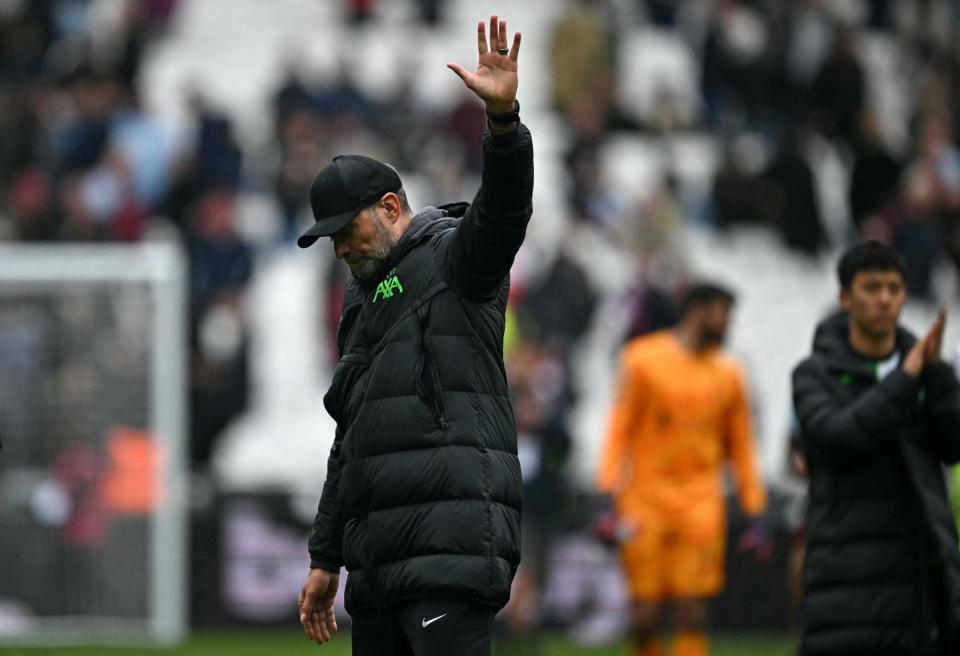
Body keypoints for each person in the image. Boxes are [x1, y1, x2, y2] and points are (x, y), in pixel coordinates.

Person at [296, 15, 531, 655]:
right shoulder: (363, 299)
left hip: (448, 555)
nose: (342, 248)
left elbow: (505, 212)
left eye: (350, 230)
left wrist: (504, 126)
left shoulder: (458, 262)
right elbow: (351, 439)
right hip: (377, 570)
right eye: (332, 237)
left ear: (393, 207)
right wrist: (327, 558)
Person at [792, 241, 960, 655]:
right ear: (845, 298)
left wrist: (938, 379)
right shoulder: (815, 375)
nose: (884, 299)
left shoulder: (926, 369)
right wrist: (905, 381)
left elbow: (953, 446)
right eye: (872, 288)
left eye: (894, 288)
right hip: (848, 577)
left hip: (920, 576)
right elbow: (838, 438)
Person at [597, 283, 768, 656]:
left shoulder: (730, 375)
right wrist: (606, 490)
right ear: (696, 311)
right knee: (645, 615)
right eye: (723, 313)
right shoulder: (642, 360)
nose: (728, 324)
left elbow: (741, 448)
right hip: (644, 501)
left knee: (692, 610)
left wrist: (754, 507)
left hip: (701, 504)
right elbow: (619, 430)